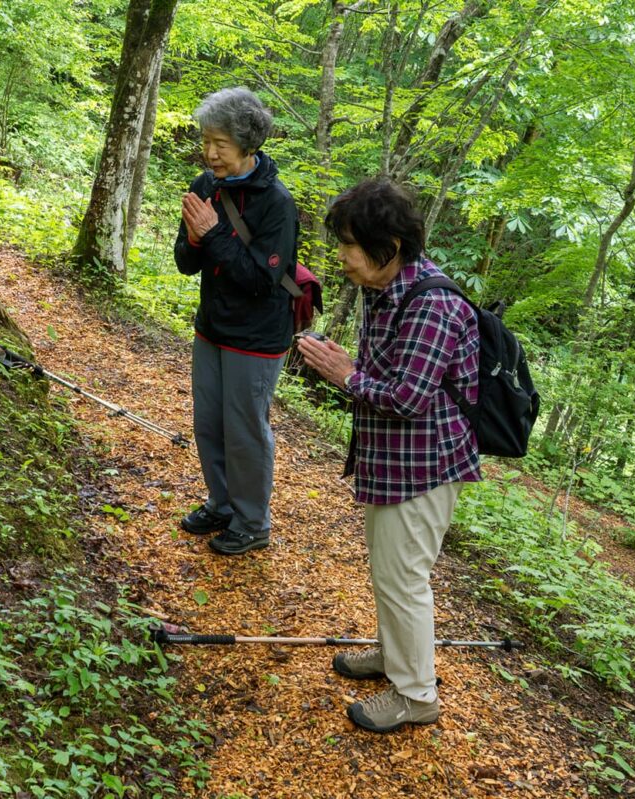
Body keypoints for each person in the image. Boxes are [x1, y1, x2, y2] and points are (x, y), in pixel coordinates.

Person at [297, 178, 481, 732]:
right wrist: (348, 365)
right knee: (390, 572)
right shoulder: (387, 289)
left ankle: (416, 696)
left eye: (351, 245)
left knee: (404, 579)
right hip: (393, 459)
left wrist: (344, 374)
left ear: (390, 247)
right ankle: (394, 655)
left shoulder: (434, 304)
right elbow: (392, 375)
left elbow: (407, 396)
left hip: (425, 465)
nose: (342, 257)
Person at [173, 87, 299, 556]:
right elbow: (187, 262)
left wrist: (212, 233)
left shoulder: (277, 204)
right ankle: (221, 503)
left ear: (247, 144)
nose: (209, 153)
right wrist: (193, 239)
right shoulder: (206, 185)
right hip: (213, 326)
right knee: (208, 422)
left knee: (245, 429)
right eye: (206, 141)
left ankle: (252, 521)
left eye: (220, 145)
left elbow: (261, 280)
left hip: (257, 336)